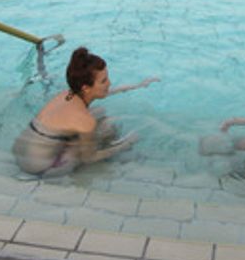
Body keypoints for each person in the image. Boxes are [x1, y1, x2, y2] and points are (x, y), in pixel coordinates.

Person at [11, 46, 159, 176]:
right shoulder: (85, 121)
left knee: (99, 111)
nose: (109, 83)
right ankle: (121, 158)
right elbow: (89, 158)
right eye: (103, 81)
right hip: (41, 168)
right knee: (106, 128)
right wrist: (125, 144)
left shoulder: (65, 95)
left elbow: (107, 92)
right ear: (86, 88)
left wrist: (138, 85)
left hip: (21, 152)